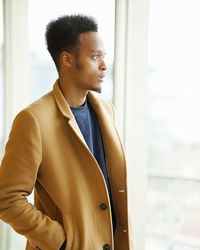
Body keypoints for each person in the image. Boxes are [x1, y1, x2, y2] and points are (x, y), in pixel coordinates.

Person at [0, 15, 132, 250]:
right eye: (95, 57)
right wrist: (59, 241)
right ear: (67, 60)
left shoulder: (106, 110)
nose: (104, 65)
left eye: (104, 57)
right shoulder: (33, 120)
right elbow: (7, 199)